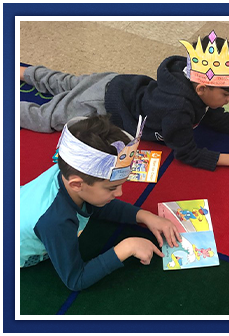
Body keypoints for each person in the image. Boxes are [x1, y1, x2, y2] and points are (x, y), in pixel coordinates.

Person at [20, 30, 229, 172]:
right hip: (103, 102)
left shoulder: (189, 86)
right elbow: (187, 152)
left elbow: (216, 116)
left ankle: (22, 71)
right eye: (226, 94)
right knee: (47, 118)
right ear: (201, 89)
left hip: (118, 82)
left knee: (66, 82)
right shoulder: (178, 111)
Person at [20, 114, 182, 291]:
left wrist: (144, 216)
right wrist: (126, 247)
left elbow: (96, 204)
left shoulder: (71, 175)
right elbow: (75, 279)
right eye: (111, 188)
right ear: (77, 184)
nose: (120, 193)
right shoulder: (56, 222)